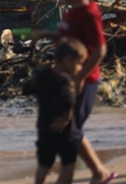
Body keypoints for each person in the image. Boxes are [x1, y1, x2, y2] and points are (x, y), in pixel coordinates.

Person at [33, 0, 115, 184]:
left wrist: (79, 78)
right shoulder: (71, 13)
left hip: (84, 80)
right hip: (66, 79)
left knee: (71, 130)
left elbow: (100, 49)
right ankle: (100, 173)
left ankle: (99, 174)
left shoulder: (89, 14)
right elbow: (67, 42)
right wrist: (48, 35)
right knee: (71, 130)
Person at [22, 38, 88, 184]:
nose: (79, 69)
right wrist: (66, 119)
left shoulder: (42, 75)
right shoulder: (66, 81)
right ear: (67, 59)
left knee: (44, 164)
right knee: (69, 163)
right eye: (78, 64)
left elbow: (26, 88)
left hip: (44, 127)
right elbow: (69, 101)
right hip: (64, 130)